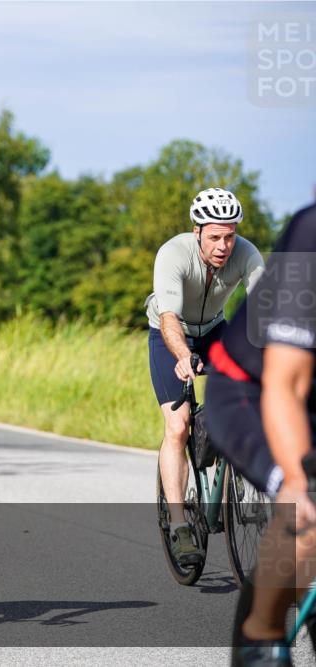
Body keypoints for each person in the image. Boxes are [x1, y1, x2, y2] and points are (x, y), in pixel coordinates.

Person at [204, 203, 315, 666]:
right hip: (253, 386)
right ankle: (261, 634)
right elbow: (285, 384)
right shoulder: (312, 233)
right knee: (305, 507)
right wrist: (297, 478)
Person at [146, 187, 266, 565]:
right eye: (214, 236)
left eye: (229, 236)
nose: (223, 245)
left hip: (214, 330)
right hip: (170, 334)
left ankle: (218, 446)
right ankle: (180, 523)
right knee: (178, 426)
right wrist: (183, 357)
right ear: (197, 232)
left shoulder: (246, 254)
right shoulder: (173, 254)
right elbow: (168, 318)